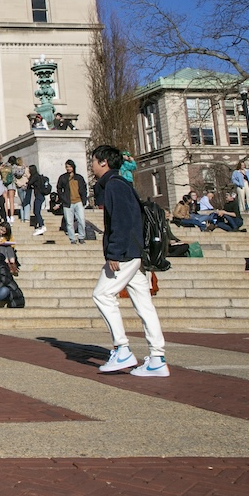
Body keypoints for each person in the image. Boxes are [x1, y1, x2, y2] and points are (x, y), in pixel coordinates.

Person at [89, 144, 168, 377]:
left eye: (94, 160)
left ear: (103, 162)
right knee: (144, 304)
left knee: (102, 294)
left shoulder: (114, 185)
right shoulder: (122, 184)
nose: (92, 165)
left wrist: (114, 253)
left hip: (126, 253)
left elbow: (122, 222)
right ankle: (157, 357)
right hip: (135, 251)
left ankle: (121, 348)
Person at [56, 159, 88, 245]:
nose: (68, 168)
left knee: (81, 220)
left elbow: (84, 189)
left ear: (73, 167)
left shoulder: (79, 177)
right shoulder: (63, 177)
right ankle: (72, 238)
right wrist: (63, 198)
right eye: (67, 167)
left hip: (78, 201)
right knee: (69, 222)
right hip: (68, 202)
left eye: (70, 166)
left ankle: (81, 237)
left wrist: (84, 199)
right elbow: (59, 188)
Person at [26, 164, 47, 234]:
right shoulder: (37, 176)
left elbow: (29, 183)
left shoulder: (35, 176)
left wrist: (27, 178)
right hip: (40, 196)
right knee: (36, 211)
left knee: (36, 211)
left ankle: (42, 226)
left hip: (39, 196)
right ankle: (40, 225)